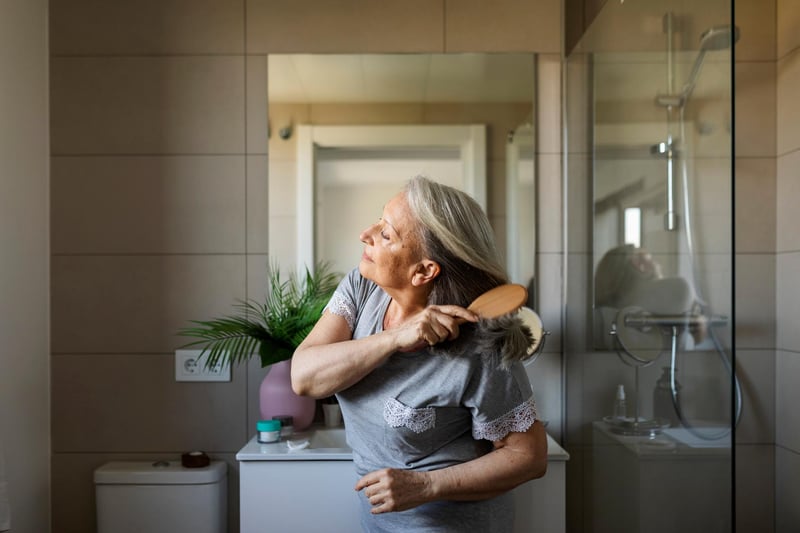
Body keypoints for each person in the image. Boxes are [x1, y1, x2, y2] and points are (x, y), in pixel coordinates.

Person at [291, 175, 548, 532]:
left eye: (386, 234)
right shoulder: (362, 288)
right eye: (379, 221)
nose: (366, 233)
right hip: (378, 522)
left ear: (424, 271)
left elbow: (529, 457)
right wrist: (395, 338)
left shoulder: (478, 348)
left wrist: (427, 486)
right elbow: (304, 378)